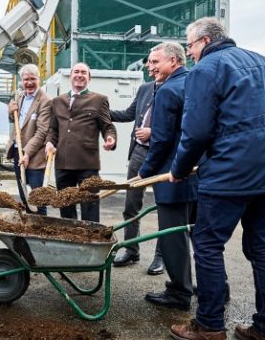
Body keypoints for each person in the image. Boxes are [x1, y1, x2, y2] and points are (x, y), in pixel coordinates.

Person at [167, 18, 265, 340]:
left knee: (207, 245)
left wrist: (179, 170)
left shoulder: (206, 69)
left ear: (204, 41)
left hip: (231, 172)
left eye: (190, 46)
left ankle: (208, 325)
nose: (190, 52)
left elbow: (196, 132)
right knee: (261, 248)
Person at [135, 42, 197, 311]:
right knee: (201, 238)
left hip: (173, 176)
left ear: (174, 61)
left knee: (173, 237)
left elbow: (160, 140)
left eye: (155, 62)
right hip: (199, 174)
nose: (150, 68)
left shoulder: (169, 90)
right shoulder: (195, 83)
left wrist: (145, 172)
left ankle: (179, 293)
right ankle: (214, 289)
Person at [110, 59, 164, 274]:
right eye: (149, 62)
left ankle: (162, 256)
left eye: (155, 62)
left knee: (164, 208)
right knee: (131, 205)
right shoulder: (145, 89)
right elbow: (127, 114)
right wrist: (99, 110)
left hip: (164, 155)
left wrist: (154, 132)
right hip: (140, 153)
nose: (150, 66)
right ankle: (131, 249)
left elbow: (182, 123)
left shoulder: (180, 87)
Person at [45, 62, 117, 222]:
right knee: (66, 207)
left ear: (89, 78)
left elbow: (107, 126)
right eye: (76, 72)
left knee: (90, 206)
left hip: (87, 164)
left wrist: (110, 138)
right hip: (62, 164)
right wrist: (50, 142)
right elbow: (53, 129)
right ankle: (71, 241)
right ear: (70, 77)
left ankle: (91, 241)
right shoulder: (57, 101)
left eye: (84, 72)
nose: (79, 75)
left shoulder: (99, 100)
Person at [6, 64, 52, 214]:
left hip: (35, 158)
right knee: (25, 198)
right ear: (22, 81)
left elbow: (42, 132)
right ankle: (30, 231)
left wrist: (27, 153)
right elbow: (16, 121)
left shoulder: (45, 101)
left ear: (39, 79)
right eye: (26, 79)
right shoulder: (19, 96)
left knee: (37, 201)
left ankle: (41, 233)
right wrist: (10, 112)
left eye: (33, 79)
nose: (29, 83)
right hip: (17, 153)